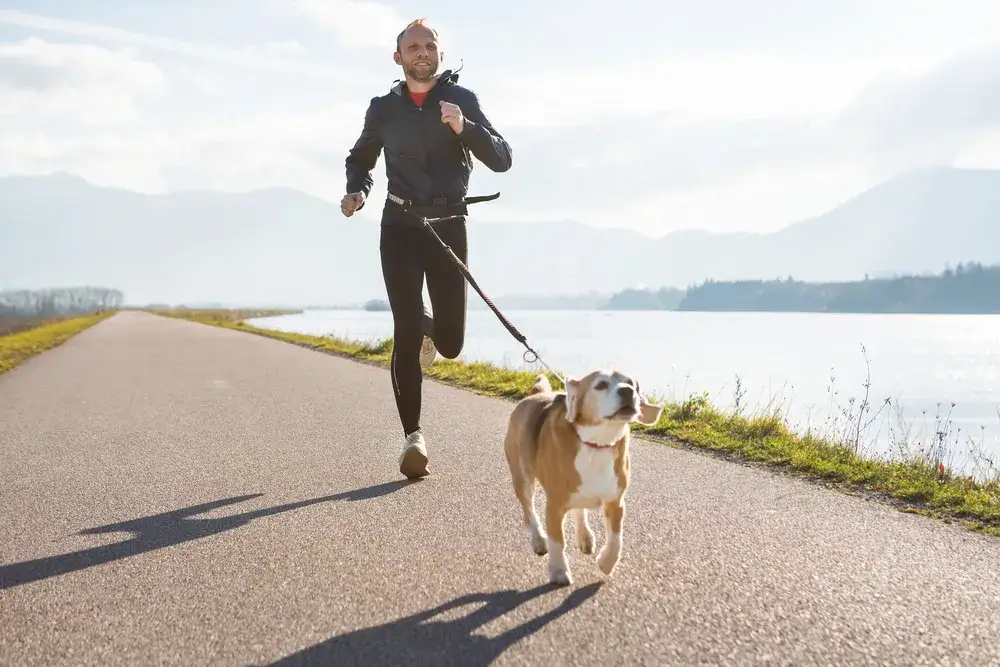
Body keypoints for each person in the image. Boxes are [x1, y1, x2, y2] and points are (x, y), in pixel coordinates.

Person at [341, 18, 513, 479]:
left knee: (452, 344)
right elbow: (361, 158)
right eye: (413, 46)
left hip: (449, 226)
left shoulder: (462, 100)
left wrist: (466, 128)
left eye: (429, 45)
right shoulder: (382, 109)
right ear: (398, 57)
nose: (422, 52)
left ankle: (429, 332)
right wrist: (357, 190)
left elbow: (502, 159)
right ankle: (413, 438)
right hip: (400, 225)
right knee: (405, 325)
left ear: (439, 52)